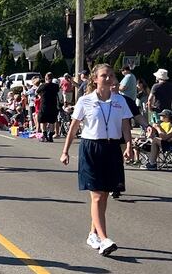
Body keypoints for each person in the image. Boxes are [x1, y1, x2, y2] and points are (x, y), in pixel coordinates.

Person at [59, 63, 132, 256]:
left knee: (105, 195)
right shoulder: (85, 100)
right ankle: (104, 239)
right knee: (97, 195)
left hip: (112, 148)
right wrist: (65, 151)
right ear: (95, 79)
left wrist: (130, 146)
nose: (108, 78)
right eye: (104, 75)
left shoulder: (120, 101)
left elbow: (125, 125)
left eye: (111, 75)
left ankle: (93, 233)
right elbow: (74, 128)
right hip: (91, 148)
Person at [36, 72, 61, 142]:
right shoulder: (55, 86)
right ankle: (50, 136)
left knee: (43, 121)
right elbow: (57, 91)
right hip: (53, 105)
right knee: (52, 121)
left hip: (44, 105)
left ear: (45, 78)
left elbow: (37, 92)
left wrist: (41, 95)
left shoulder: (43, 86)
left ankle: (44, 135)